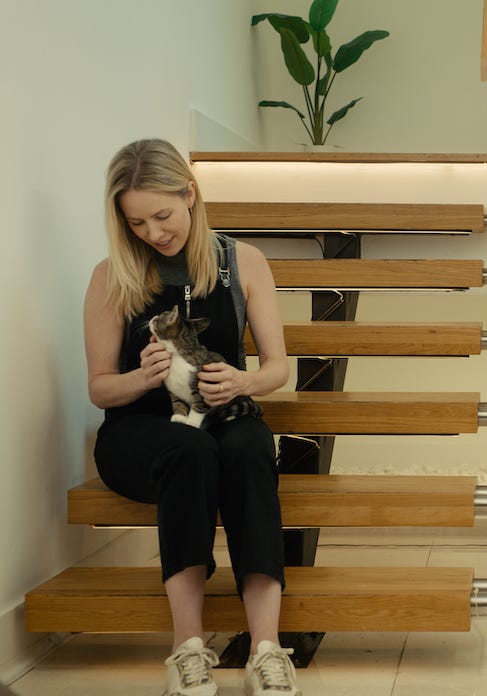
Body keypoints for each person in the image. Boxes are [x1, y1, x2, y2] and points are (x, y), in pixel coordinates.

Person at [83, 139, 301, 696]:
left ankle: (267, 650)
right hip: (139, 433)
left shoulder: (241, 262)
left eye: (163, 215)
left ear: (190, 194)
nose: (154, 233)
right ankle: (188, 649)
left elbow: (279, 368)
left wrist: (243, 381)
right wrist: (142, 378)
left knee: (249, 448)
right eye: (136, 222)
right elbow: (101, 391)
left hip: (224, 415)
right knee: (189, 450)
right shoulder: (111, 277)